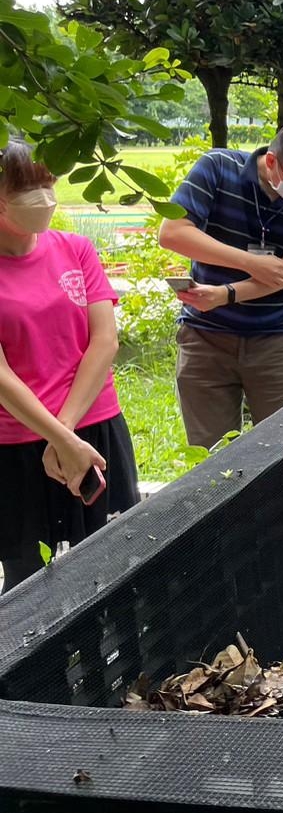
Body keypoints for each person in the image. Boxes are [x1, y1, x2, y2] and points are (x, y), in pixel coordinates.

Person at [0, 141, 140, 592]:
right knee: (27, 577)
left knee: (114, 561)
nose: (42, 197)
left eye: (47, 184)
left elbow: (104, 341)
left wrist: (66, 434)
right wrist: (60, 438)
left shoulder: (75, 249)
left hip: (94, 430)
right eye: (26, 188)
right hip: (17, 443)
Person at [159, 123, 283, 451]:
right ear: (271, 162)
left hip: (278, 340)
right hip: (205, 338)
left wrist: (225, 294)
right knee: (209, 457)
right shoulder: (216, 167)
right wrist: (249, 262)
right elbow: (172, 234)